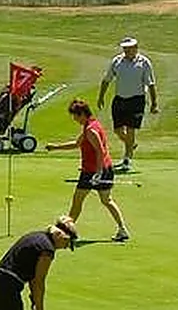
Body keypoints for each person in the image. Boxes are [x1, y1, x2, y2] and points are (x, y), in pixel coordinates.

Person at [46, 98, 130, 242]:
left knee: (79, 200)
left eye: (75, 116)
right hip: (102, 169)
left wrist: (97, 173)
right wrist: (55, 147)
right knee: (105, 200)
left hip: (94, 171)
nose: (74, 119)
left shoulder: (91, 130)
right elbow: (77, 144)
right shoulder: (91, 125)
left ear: (82, 114)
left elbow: (100, 151)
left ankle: (67, 231)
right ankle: (122, 229)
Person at [96, 35, 157, 171]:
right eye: (125, 49)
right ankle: (131, 144)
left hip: (136, 100)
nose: (126, 51)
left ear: (136, 48)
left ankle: (127, 160)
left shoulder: (144, 62)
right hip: (119, 99)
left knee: (131, 129)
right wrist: (101, 97)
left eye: (129, 48)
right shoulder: (117, 61)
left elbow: (151, 84)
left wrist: (154, 103)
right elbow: (107, 80)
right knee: (117, 130)